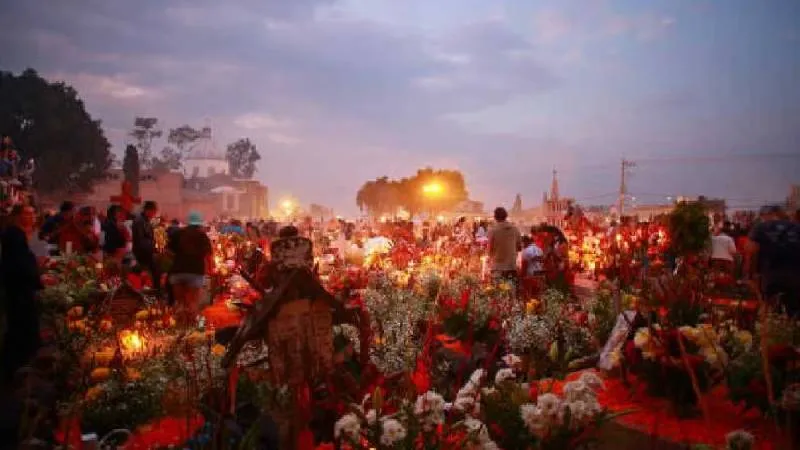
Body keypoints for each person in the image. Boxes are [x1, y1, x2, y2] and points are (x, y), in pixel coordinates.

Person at [0, 204, 42, 382]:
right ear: (18, 216)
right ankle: (14, 370)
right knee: (20, 328)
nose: (32, 217)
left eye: (33, 213)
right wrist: (37, 280)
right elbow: (20, 265)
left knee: (19, 328)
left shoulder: (17, 234)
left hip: (21, 288)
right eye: (28, 213)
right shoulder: (14, 235)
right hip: (19, 290)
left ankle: (16, 367)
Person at [746, 205, 800, 316]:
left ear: (769, 215)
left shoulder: (761, 227)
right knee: (794, 312)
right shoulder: (797, 227)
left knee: (772, 311)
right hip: (796, 276)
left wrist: (751, 275)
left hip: (772, 276)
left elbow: (750, 250)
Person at [168, 212, 213, 325]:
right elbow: (208, 256)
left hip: (177, 272)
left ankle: (178, 329)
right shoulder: (202, 236)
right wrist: (209, 270)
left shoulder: (178, 233)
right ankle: (192, 331)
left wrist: (177, 259)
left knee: (179, 303)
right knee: (192, 303)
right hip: (195, 272)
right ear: (199, 223)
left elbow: (167, 251)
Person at [132, 201, 161, 295]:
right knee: (148, 275)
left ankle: (154, 293)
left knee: (155, 272)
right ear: (148, 210)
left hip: (148, 253)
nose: (155, 214)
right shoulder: (139, 221)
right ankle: (152, 294)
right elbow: (141, 241)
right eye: (154, 211)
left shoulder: (146, 221)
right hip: (142, 254)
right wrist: (154, 246)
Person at [488, 207, 521, 283]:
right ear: (506, 216)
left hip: (498, 267)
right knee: (511, 291)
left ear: (495, 217)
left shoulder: (493, 230)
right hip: (511, 266)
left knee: (497, 292)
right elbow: (519, 248)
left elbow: (489, 249)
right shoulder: (515, 229)